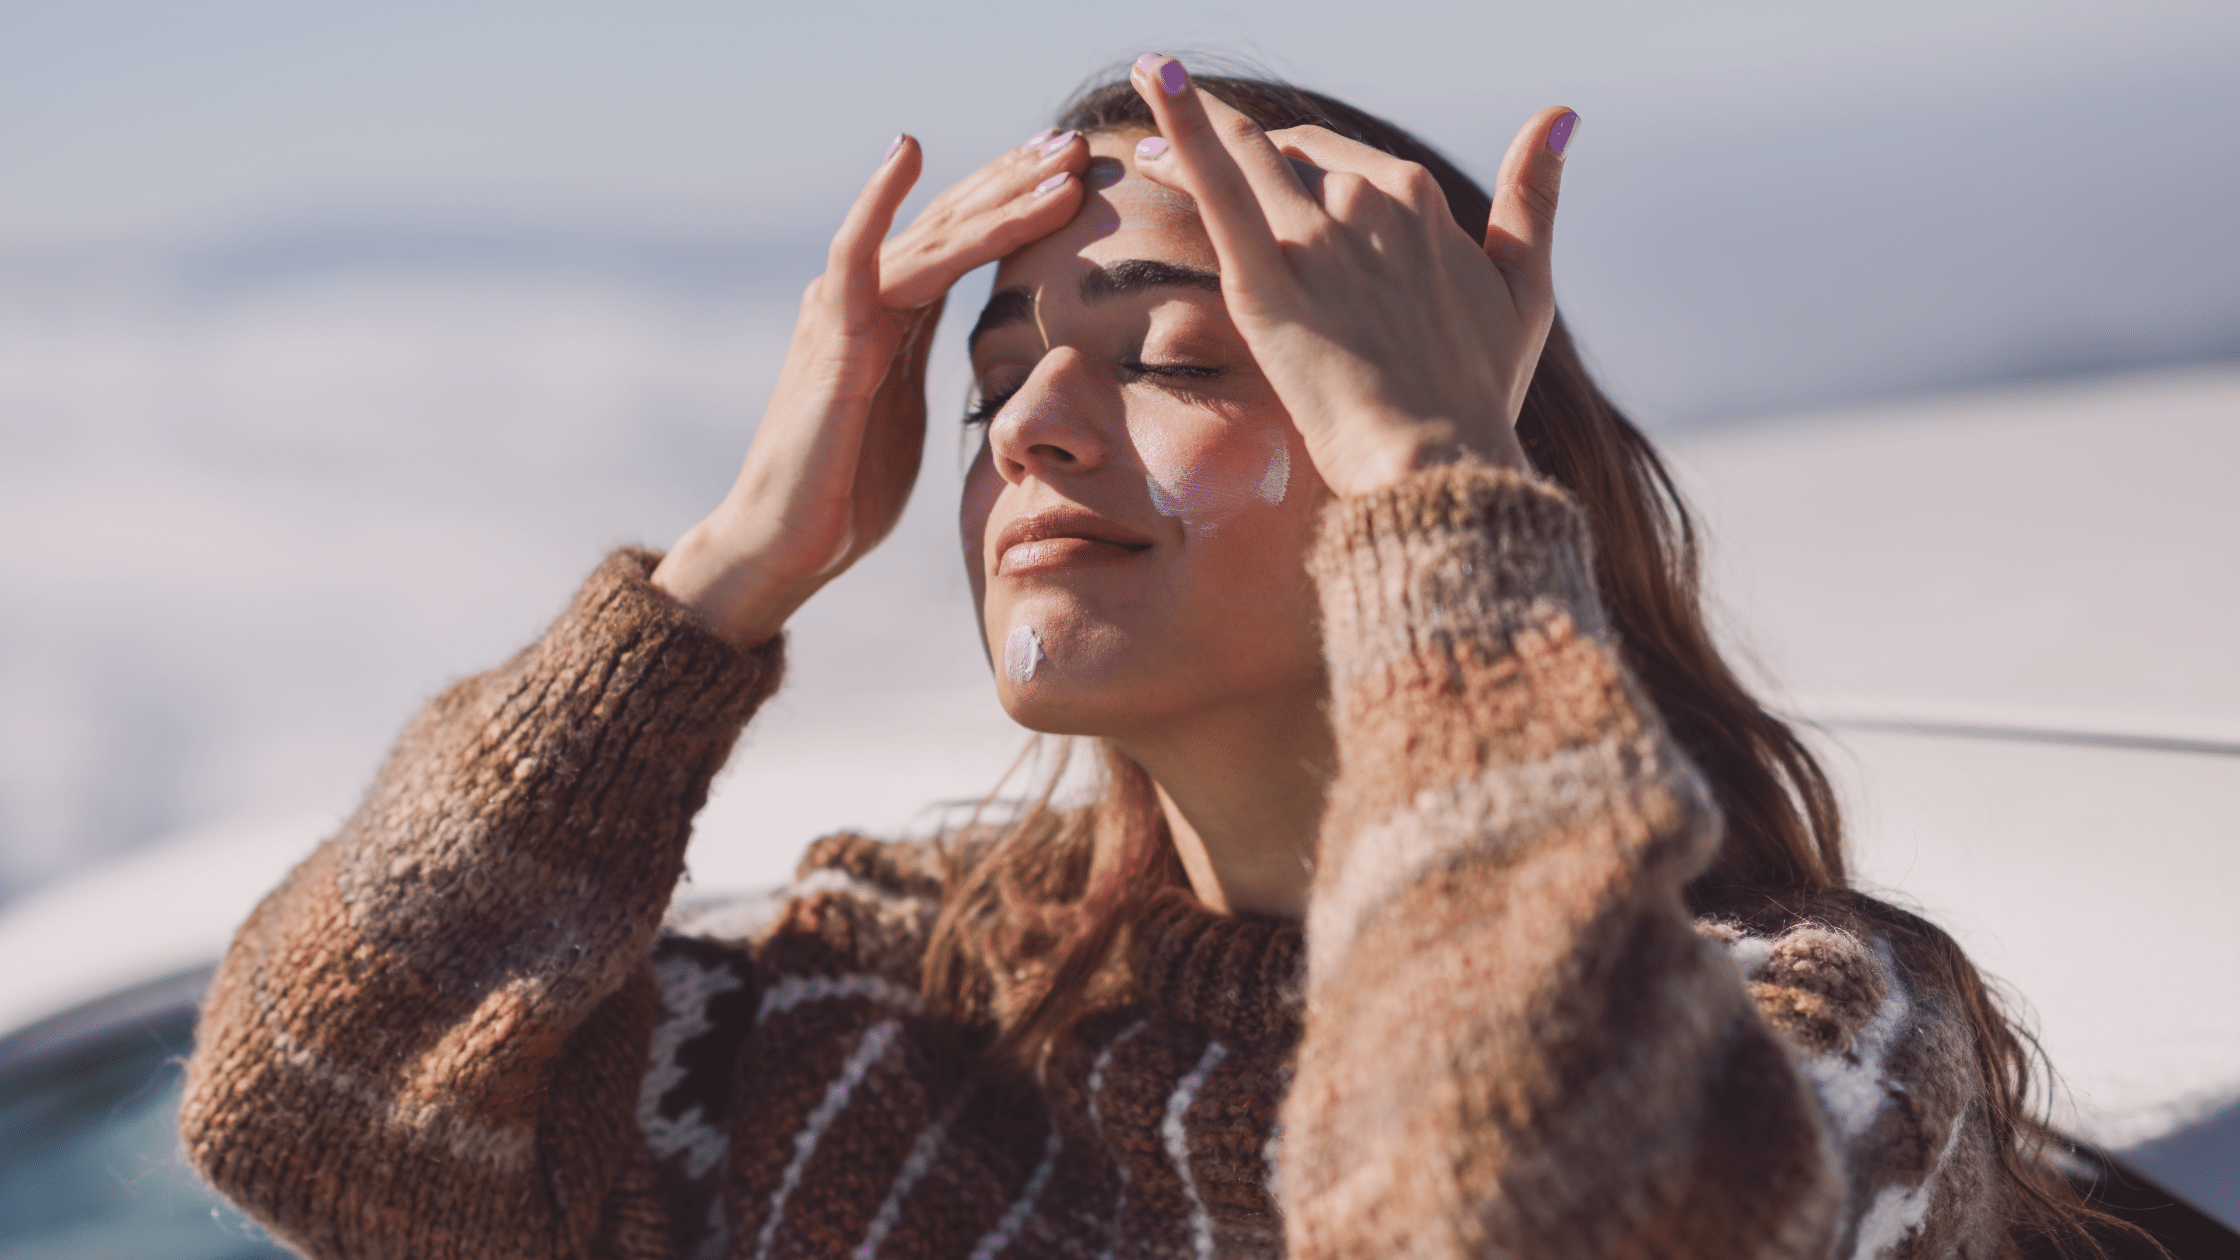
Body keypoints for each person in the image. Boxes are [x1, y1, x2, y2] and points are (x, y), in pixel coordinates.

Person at [179, 56, 2113, 1260]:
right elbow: (305, 1108)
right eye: (994, 387)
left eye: (1182, 362)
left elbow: (1524, 1204)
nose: (1025, 430)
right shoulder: (882, 1025)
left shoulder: (1809, 1049)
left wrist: (1435, 486)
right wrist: (721, 575)